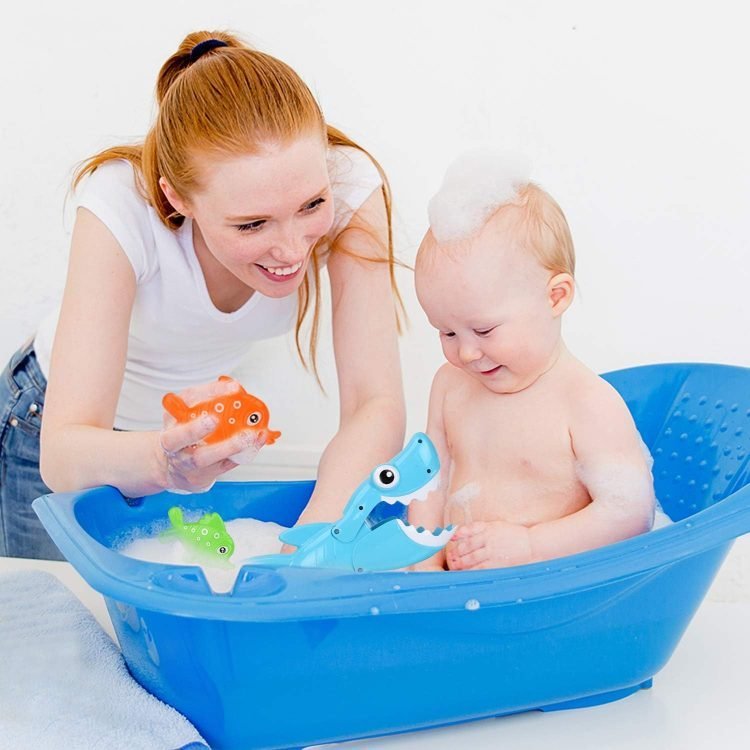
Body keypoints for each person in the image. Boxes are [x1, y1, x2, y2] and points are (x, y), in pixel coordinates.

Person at [0, 31, 405, 560]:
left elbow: (375, 402)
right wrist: (163, 461)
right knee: (56, 610)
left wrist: (310, 543)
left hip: (181, 444)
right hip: (51, 429)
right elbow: (62, 453)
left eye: (311, 205)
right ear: (176, 198)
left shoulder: (348, 185)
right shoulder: (121, 205)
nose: (291, 250)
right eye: (252, 224)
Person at [410, 150, 656, 571]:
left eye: (484, 330)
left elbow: (630, 512)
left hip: (551, 582)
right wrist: (424, 559)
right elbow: (429, 479)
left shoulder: (586, 403)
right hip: (461, 582)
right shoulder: (450, 385)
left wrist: (529, 546)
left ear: (555, 297)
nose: (465, 353)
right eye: (446, 332)